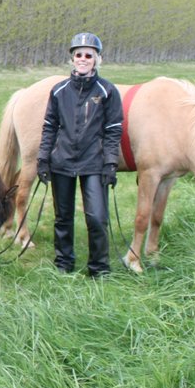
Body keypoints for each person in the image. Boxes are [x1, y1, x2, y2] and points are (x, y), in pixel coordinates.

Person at [36, 32, 123, 277]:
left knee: (97, 218)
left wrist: (111, 163)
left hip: (94, 162)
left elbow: (113, 129)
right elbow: (49, 126)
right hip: (62, 161)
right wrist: (43, 158)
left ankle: (99, 267)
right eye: (79, 55)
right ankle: (64, 264)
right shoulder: (59, 90)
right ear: (72, 58)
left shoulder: (107, 91)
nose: (83, 59)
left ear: (97, 59)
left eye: (88, 55)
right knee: (62, 218)